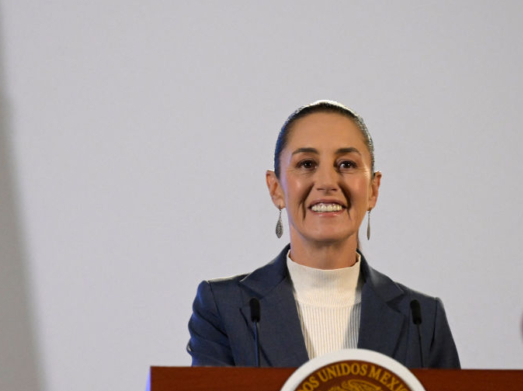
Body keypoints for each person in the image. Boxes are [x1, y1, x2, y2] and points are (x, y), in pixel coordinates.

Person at [187, 100, 460, 369]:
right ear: (276, 188)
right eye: (307, 164)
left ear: (373, 190)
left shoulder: (422, 317)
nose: (327, 182)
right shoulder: (224, 307)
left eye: (346, 164)